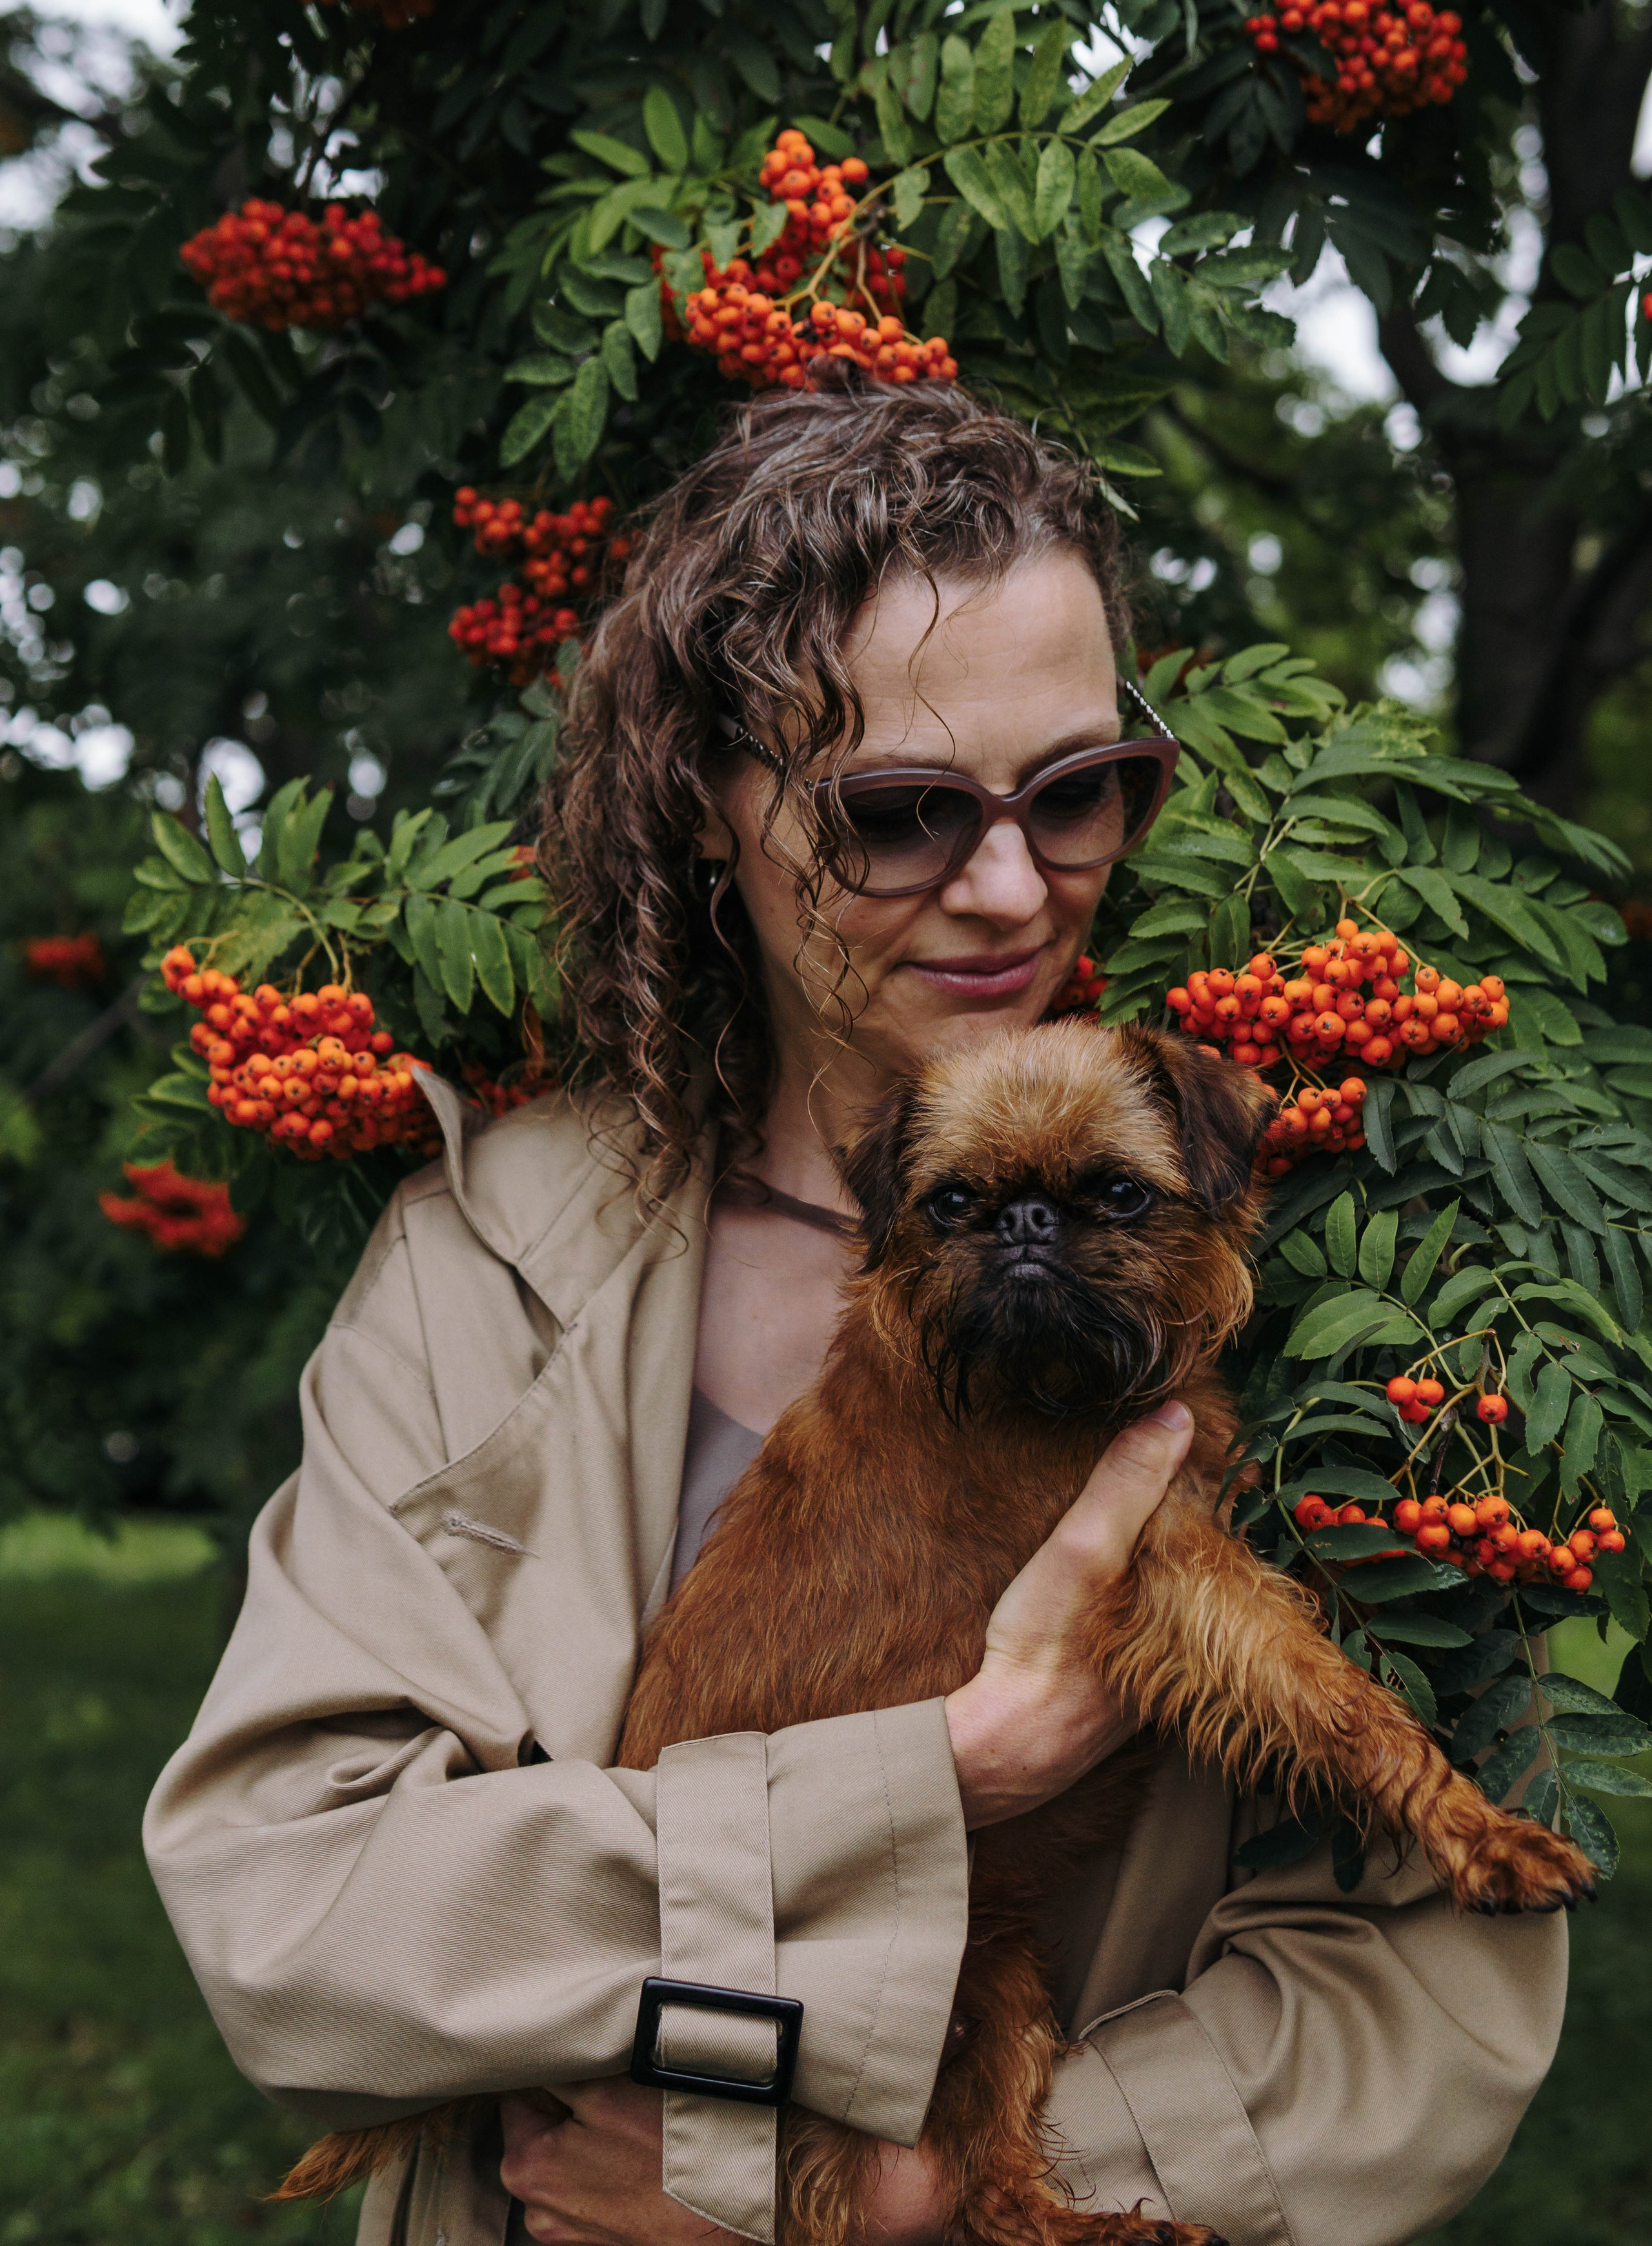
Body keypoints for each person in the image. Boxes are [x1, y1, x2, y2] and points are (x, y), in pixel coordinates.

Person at [145, 379, 1565, 2246]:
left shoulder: (1321, 1287)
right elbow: (292, 1902)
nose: (1006, 888)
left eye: (1078, 794)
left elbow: (1438, 1984)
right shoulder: (488, 1256)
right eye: (900, 815)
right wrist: (938, 1776)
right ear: (711, 806)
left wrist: (911, 2200)